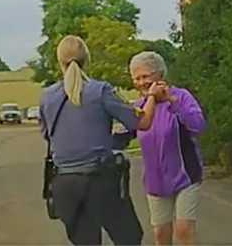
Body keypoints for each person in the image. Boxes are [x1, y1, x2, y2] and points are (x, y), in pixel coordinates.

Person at [40, 35, 167, 246]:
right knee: (129, 238)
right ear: (87, 59)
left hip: (65, 185)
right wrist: (152, 96)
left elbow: (48, 136)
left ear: (59, 61)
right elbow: (142, 122)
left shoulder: (47, 96)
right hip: (100, 181)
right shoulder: (100, 91)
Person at [130, 51, 207, 245]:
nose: (141, 82)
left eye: (145, 76)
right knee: (160, 235)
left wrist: (172, 101)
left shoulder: (181, 96)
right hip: (155, 181)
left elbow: (198, 125)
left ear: (160, 75)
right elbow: (127, 132)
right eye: (136, 78)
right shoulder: (140, 106)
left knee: (183, 231)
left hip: (185, 176)